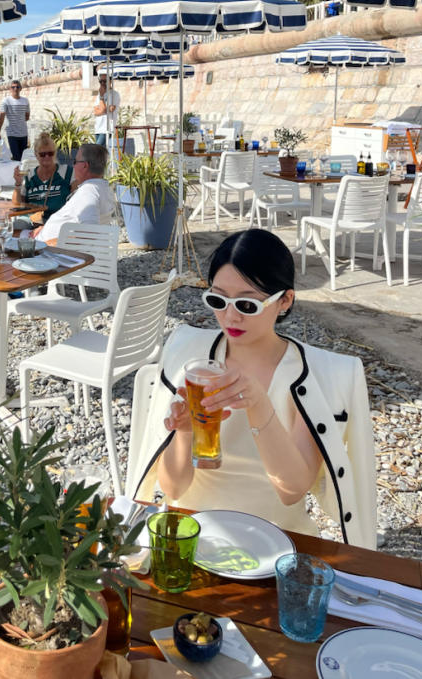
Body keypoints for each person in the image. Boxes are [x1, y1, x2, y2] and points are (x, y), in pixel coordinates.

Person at [131, 229, 377, 549]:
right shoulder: (194, 363)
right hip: (193, 532)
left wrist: (260, 405)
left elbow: (291, 491)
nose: (230, 316)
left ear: (284, 300)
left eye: (247, 304)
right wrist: (185, 433)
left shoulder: (314, 375)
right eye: (218, 300)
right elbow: (173, 489)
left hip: (277, 541)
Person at [0, 144, 114, 316]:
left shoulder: (89, 193)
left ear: (85, 166)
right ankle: (0, 285)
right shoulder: (103, 188)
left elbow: (88, 234)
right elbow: (77, 222)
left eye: (76, 161)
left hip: (49, 251)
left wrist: (46, 245)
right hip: (44, 240)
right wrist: (46, 227)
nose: (73, 166)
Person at [12, 132, 74, 225]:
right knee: (16, 225)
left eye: (50, 153)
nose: (47, 157)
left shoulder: (67, 172)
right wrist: (18, 184)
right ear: (36, 155)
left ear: (55, 153)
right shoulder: (29, 176)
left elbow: (75, 203)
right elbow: (17, 205)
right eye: (42, 154)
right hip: (32, 219)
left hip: (57, 220)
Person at [0, 80, 30, 160]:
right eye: (13, 87)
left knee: (23, 158)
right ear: (10, 89)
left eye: (17, 87)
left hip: (23, 134)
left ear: (20, 88)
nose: (15, 89)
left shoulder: (25, 101)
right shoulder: (6, 101)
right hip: (11, 134)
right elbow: (1, 118)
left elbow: (27, 117)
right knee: (16, 157)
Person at [93, 74, 120, 147]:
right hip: (98, 128)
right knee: (101, 152)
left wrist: (102, 96)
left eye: (104, 81)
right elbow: (95, 112)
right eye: (100, 81)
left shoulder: (114, 94)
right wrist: (103, 109)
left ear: (110, 81)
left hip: (107, 129)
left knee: (96, 149)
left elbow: (103, 110)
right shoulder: (99, 96)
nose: (102, 83)